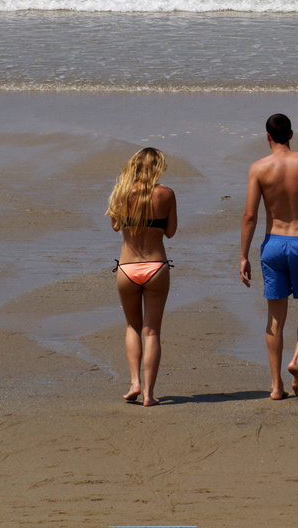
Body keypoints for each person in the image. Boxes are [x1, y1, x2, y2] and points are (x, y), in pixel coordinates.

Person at [240, 113, 298, 399]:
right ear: (291, 134)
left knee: (275, 318)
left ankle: (276, 387)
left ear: (267, 136)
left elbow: (250, 215)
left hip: (273, 245)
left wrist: (243, 255)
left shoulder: (258, 168)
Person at [106, 147, 177, 407]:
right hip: (156, 266)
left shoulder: (122, 192)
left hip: (127, 267)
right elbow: (170, 232)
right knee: (152, 332)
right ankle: (149, 394)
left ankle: (134, 381)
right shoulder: (166, 194)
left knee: (132, 326)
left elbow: (115, 226)